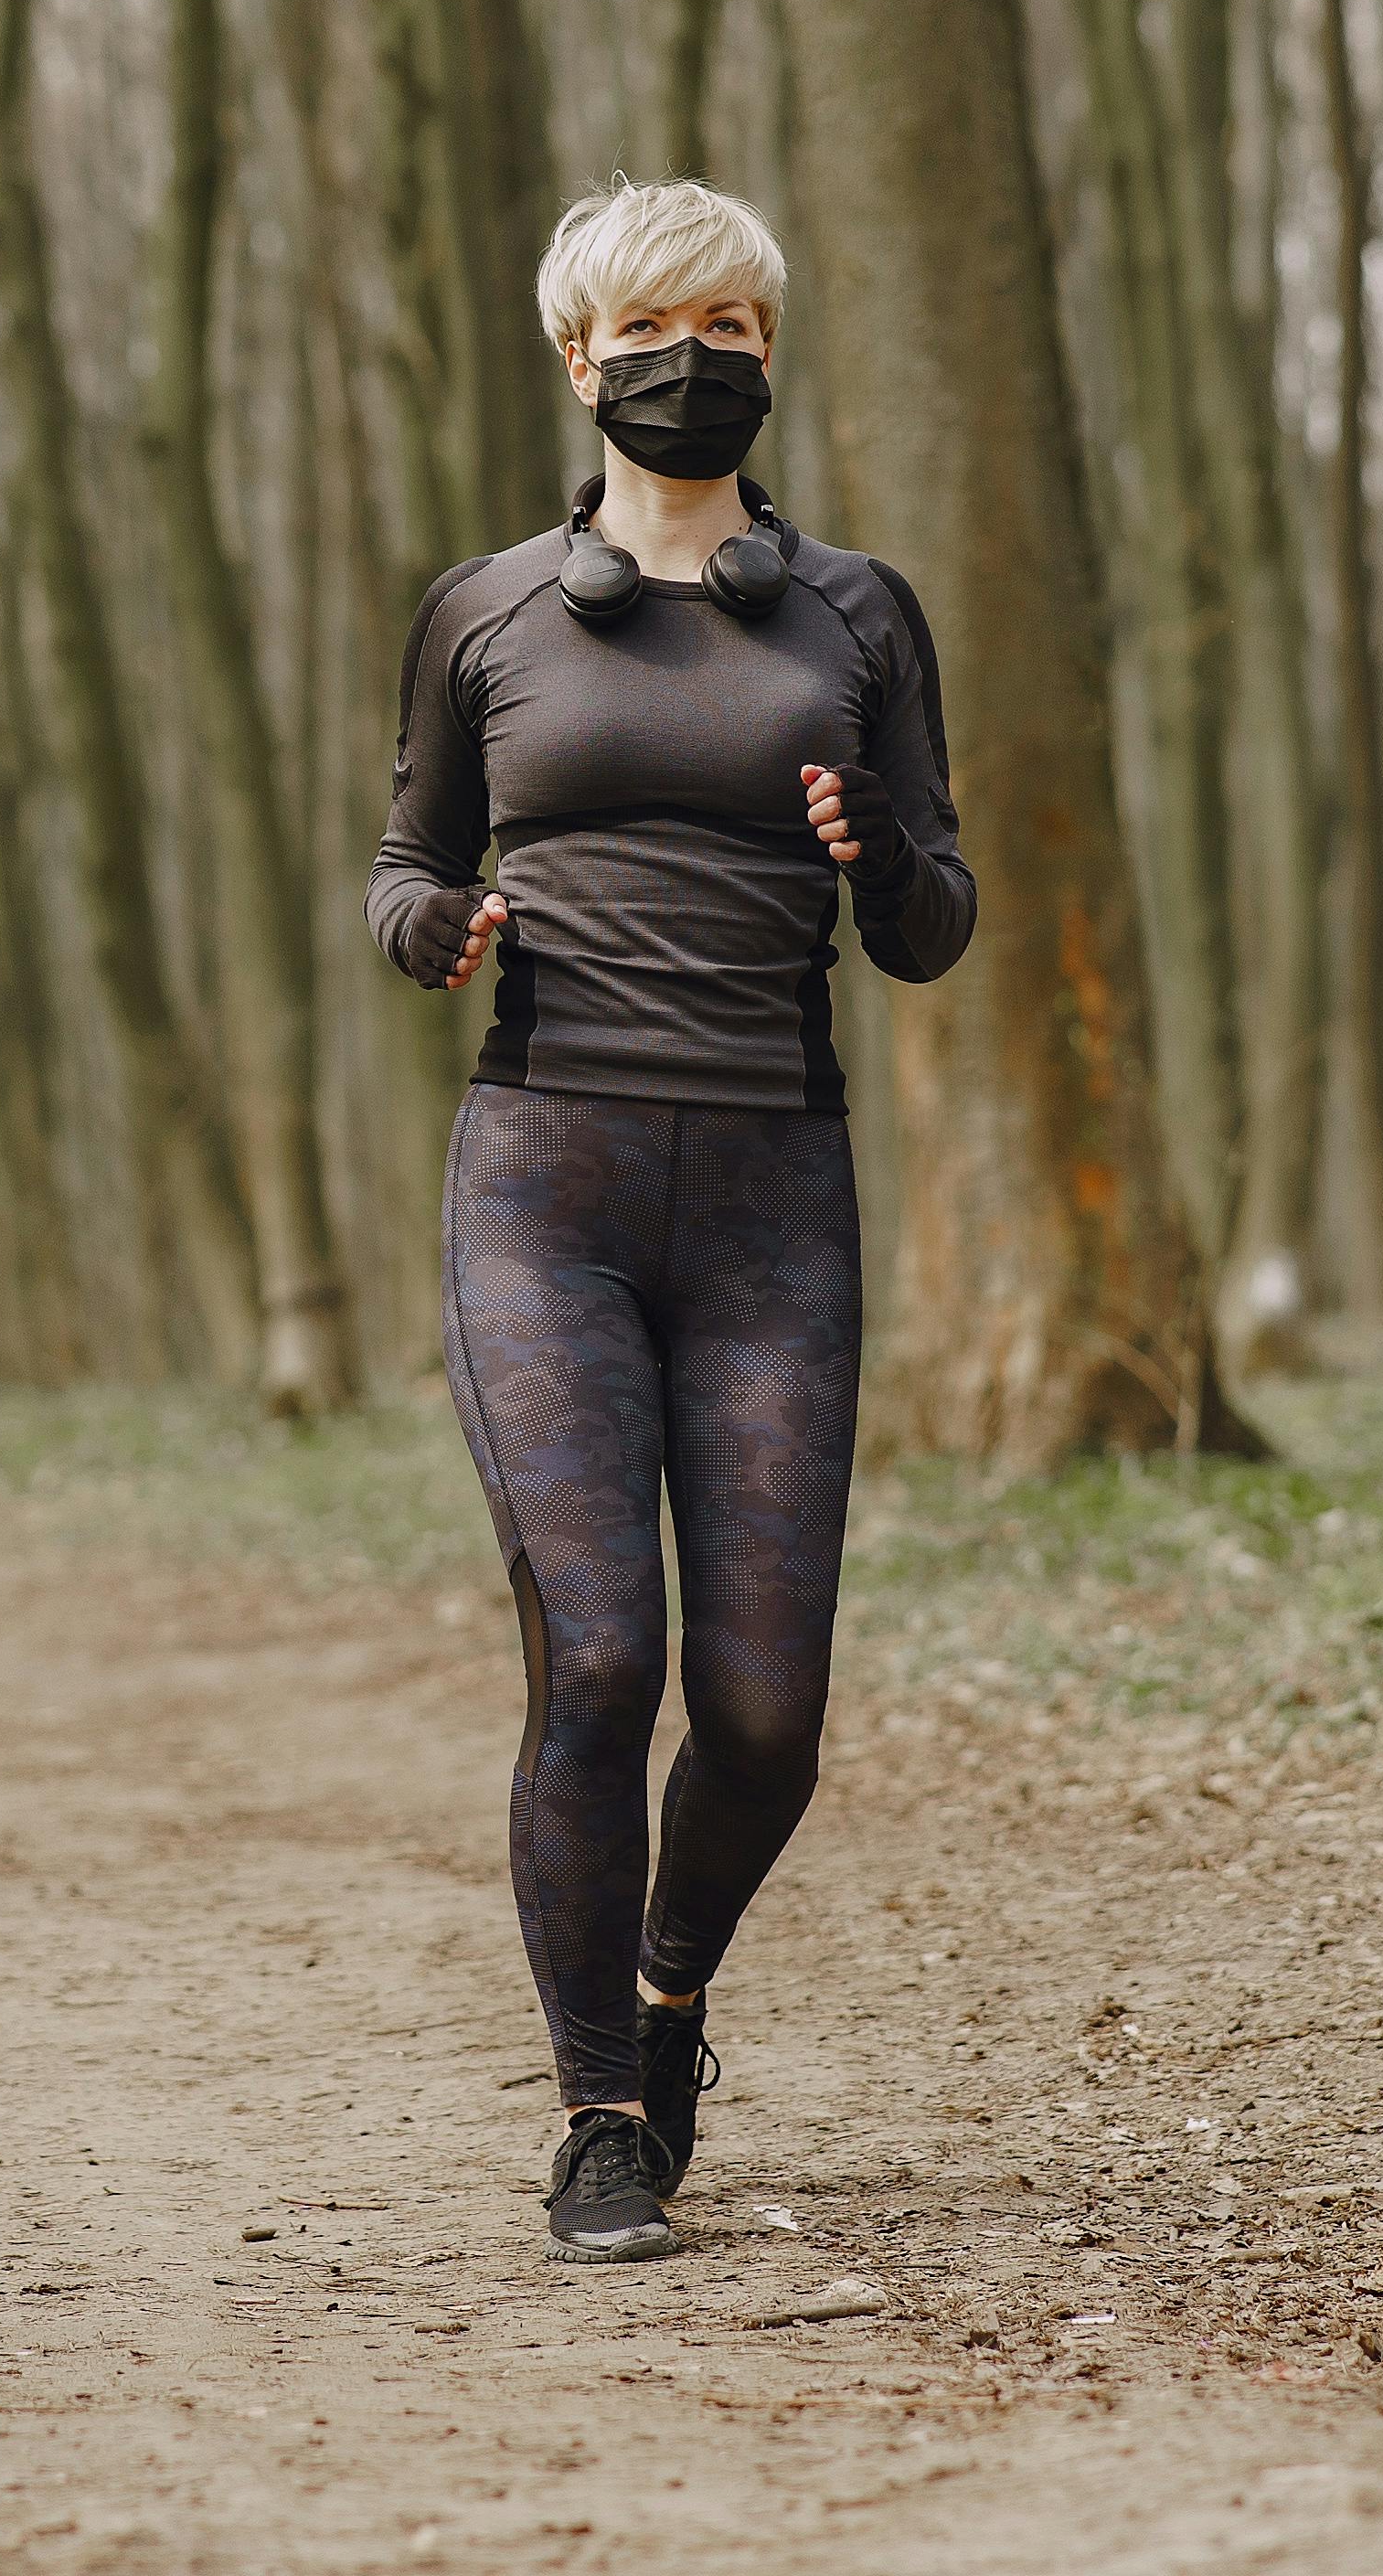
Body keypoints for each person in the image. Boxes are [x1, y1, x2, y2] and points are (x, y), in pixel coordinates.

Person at [365, 177, 977, 2265]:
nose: (696, 348)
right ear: (580, 352)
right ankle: (601, 2119)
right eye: (656, 319)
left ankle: (671, 1991)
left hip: (774, 1207)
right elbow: (397, 855)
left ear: (771, 349)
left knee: (771, 1711)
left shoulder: (862, 616)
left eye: (733, 315)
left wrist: (882, 841)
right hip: (547, 1193)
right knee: (600, 1653)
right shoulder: (486, 614)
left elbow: (933, 927)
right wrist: (433, 919)